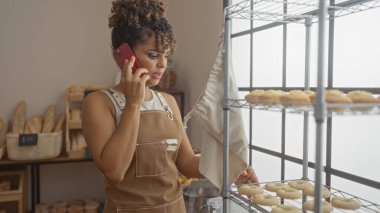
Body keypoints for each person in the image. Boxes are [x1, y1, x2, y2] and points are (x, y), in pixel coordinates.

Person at [82, 0, 258, 212]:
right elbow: (114, 171)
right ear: (124, 55)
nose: (162, 64)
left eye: (166, 55)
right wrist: (133, 104)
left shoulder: (168, 102)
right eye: (153, 55)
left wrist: (230, 166)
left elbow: (187, 163)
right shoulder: (98, 103)